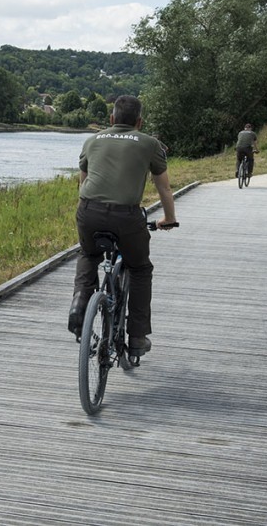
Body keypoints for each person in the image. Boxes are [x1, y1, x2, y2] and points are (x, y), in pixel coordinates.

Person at [68, 95, 177, 356]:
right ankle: (137, 338)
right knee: (139, 268)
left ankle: (78, 305)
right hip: (126, 216)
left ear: (111, 119)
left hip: (88, 211)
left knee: (88, 254)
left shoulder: (92, 140)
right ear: (139, 122)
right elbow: (164, 187)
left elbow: (82, 184)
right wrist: (169, 219)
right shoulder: (150, 143)